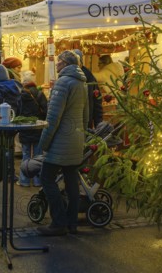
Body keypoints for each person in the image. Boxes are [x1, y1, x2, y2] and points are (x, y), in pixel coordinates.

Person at [37, 50, 89, 236]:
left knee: (47, 178)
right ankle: (72, 222)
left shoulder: (63, 82)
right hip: (75, 139)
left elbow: (53, 117)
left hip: (61, 141)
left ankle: (59, 222)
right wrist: (82, 136)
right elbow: (85, 114)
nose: (56, 64)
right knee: (71, 181)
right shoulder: (82, 83)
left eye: (59, 61)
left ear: (65, 63)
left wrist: (43, 143)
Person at [17, 70, 47, 187]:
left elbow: (17, 112)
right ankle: (37, 180)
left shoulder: (20, 95)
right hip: (38, 129)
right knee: (38, 156)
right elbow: (45, 111)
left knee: (25, 155)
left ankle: (24, 180)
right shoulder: (39, 94)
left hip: (24, 129)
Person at [73, 49, 103, 129]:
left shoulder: (89, 78)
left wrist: (99, 125)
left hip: (85, 122)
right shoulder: (68, 78)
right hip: (72, 122)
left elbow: (97, 102)